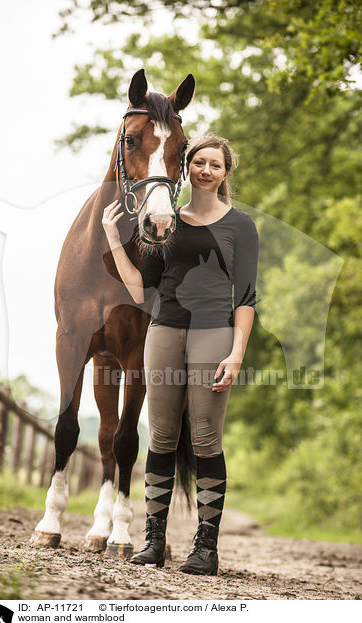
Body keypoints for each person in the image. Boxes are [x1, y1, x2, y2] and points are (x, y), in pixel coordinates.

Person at [102, 135, 259, 575]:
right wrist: (114, 238)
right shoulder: (164, 221)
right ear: (186, 168)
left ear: (225, 173)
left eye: (215, 164)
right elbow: (141, 289)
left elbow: (246, 297)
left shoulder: (241, 226)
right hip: (164, 330)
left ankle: (205, 548)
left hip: (214, 333)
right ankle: (153, 541)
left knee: (206, 437)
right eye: (199, 162)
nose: (206, 170)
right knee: (162, 436)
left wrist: (237, 352)